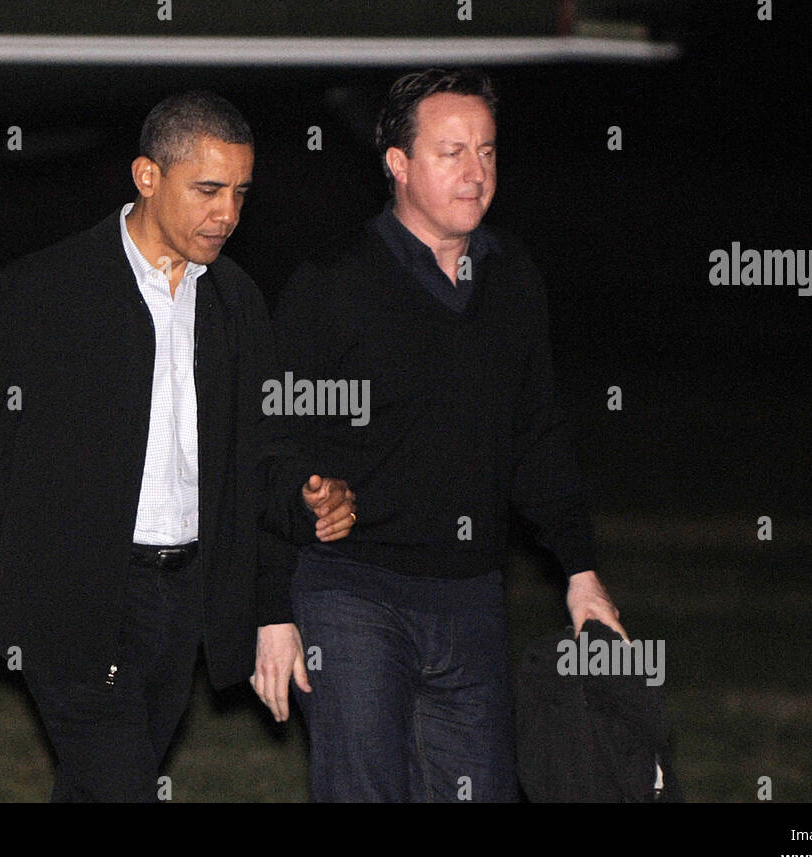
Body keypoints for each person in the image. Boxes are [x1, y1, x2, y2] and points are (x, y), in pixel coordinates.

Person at [0, 90, 355, 802]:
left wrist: (306, 506)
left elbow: (259, 461)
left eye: (241, 193)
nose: (227, 214)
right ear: (147, 176)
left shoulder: (236, 303)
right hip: (72, 598)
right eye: (208, 190)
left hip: (183, 599)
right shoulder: (43, 292)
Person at [252, 69, 626, 802]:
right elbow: (271, 448)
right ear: (397, 163)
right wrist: (271, 611)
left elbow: (536, 432)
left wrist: (580, 571)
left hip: (472, 596)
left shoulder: (511, 275)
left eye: (486, 151)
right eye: (451, 151)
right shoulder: (333, 283)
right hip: (350, 590)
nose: (475, 171)